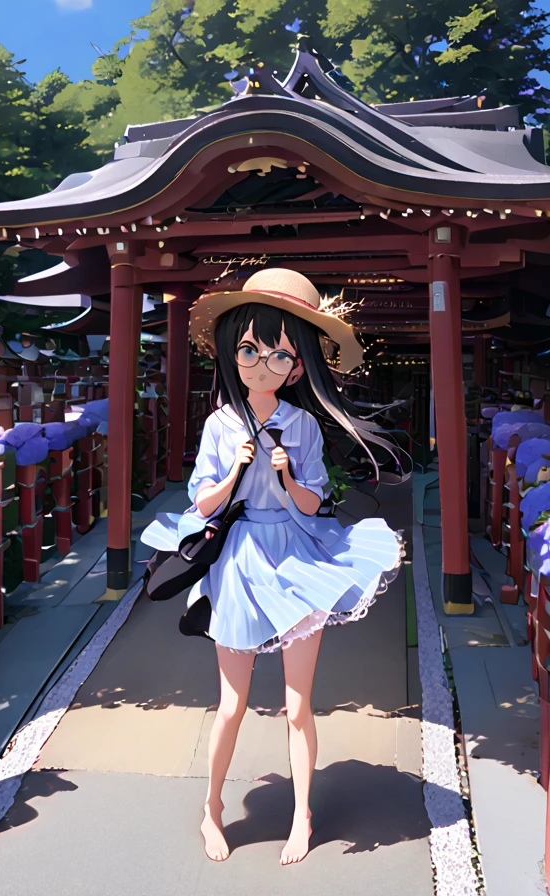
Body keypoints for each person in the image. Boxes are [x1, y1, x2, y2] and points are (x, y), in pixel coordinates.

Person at [140, 268, 404, 866]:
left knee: (298, 703)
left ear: (299, 364)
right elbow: (200, 502)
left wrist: (285, 473)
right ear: (232, 355)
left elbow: (313, 501)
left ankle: (302, 816)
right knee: (230, 704)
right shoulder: (219, 423)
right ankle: (211, 808)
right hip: (237, 562)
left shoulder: (304, 423)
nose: (262, 364)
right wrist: (235, 471)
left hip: (296, 555)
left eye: (279, 354)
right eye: (249, 349)